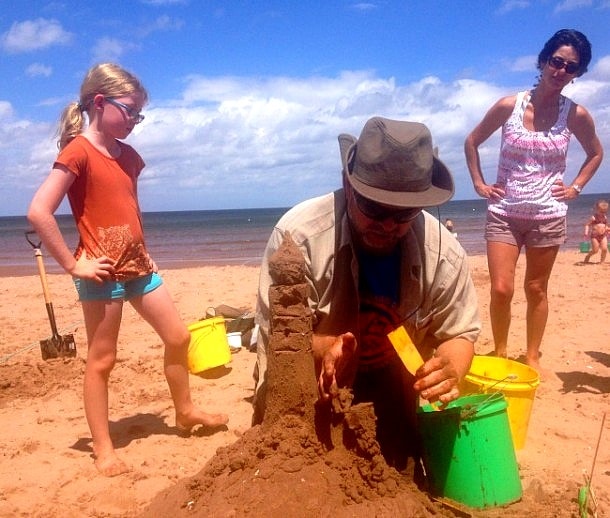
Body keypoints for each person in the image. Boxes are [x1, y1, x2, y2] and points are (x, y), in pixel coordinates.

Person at [27, 63, 228, 477]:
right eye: (130, 111)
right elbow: (38, 211)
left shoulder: (129, 156)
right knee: (103, 360)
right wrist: (72, 264)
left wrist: (144, 249)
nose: (136, 121)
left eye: (140, 115)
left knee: (179, 335)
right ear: (100, 103)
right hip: (102, 275)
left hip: (139, 267)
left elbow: (128, 209)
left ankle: (185, 411)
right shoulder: (77, 152)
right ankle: (103, 448)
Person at [253, 117, 481, 472]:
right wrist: (324, 348)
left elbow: (460, 332)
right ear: (348, 183)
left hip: (392, 401)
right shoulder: (299, 238)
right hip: (307, 399)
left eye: (405, 213)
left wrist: (451, 368)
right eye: (374, 207)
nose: (388, 224)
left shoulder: (444, 252)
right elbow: (275, 342)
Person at [464, 29, 603, 372]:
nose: (561, 71)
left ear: (577, 74)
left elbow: (596, 154)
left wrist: (576, 188)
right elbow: (471, 142)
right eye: (557, 62)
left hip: (548, 214)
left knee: (537, 289)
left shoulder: (575, 115)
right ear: (543, 61)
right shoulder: (508, 106)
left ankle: (531, 355)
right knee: (501, 288)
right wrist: (480, 184)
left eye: (571, 67)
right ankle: (499, 352)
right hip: (504, 212)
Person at [583, 199, 608, 264]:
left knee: (605, 249)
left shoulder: (605, 217)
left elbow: (605, 226)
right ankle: (588, 256)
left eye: (604, 211)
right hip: (595, 236)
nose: (603, 213)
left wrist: (607, 230)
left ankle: (602, 261)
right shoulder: (594, 217)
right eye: (601, 211)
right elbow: (587, 225)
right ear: (597, 209)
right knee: (595, 250)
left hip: (603, 235)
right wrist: (586, 232)